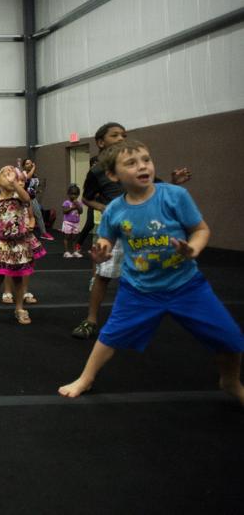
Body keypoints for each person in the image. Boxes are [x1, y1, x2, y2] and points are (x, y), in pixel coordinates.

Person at [59, 140, 244, 405]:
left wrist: (192, 249)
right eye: (131, 163)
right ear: (113, 175)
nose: (142, 166)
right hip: (139, 290)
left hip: (186, 286)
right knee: (110, 336)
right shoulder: (115, 210)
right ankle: (85, 378)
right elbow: (106, 240)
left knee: (230, 338)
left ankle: (231, 381)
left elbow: (201, 230)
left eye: (146, 160)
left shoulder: (174, 196)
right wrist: (102, 252)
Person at [71, 122, 192, 339]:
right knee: (103, 274)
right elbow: (87, 198)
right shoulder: (97, 171)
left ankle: (141, 316)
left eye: (124, 135)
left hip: (142, 227)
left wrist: (174, 182)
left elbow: (158, 188)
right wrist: (105, 208)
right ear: (100, 142)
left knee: (144, 271)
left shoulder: (136, 166)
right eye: (114, 135)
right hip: (116, 227)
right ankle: (90, 320)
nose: (121, 138)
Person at [0, 166, 46, 325]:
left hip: (19, 245)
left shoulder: (19, 198)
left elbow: (27, 198)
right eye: (5, 174)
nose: (10, 176)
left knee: (19, 280)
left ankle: (19, 308)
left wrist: (15, 184)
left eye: (12, 174)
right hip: (1, 244)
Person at [21, 158, 52, 240]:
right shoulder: (23, 173)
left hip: (33, 198)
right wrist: (34, 167)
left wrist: (37, 191)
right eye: (27, 163)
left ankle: (44, 233)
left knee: (39, 215)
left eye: (31, 163)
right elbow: (27, 178)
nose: (30, 165)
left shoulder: (35, 175)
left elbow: (32, 187)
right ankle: (23, 234)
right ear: (24, 166)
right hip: (24, 199)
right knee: (25, 217)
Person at [61, 184, 84, 258]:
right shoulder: (66, 202)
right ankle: (66, 252)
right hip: (68, 222)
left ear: (78, 195)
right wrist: (72, 208)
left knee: (74, 238)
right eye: (72, 194)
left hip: (76, 223)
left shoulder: (79, 203)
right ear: (68, 194)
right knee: (66, 237)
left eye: (76, 194)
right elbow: (64, 211)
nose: (73, 196)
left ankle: (74, 252)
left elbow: (81, 212)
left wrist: (78, 206)